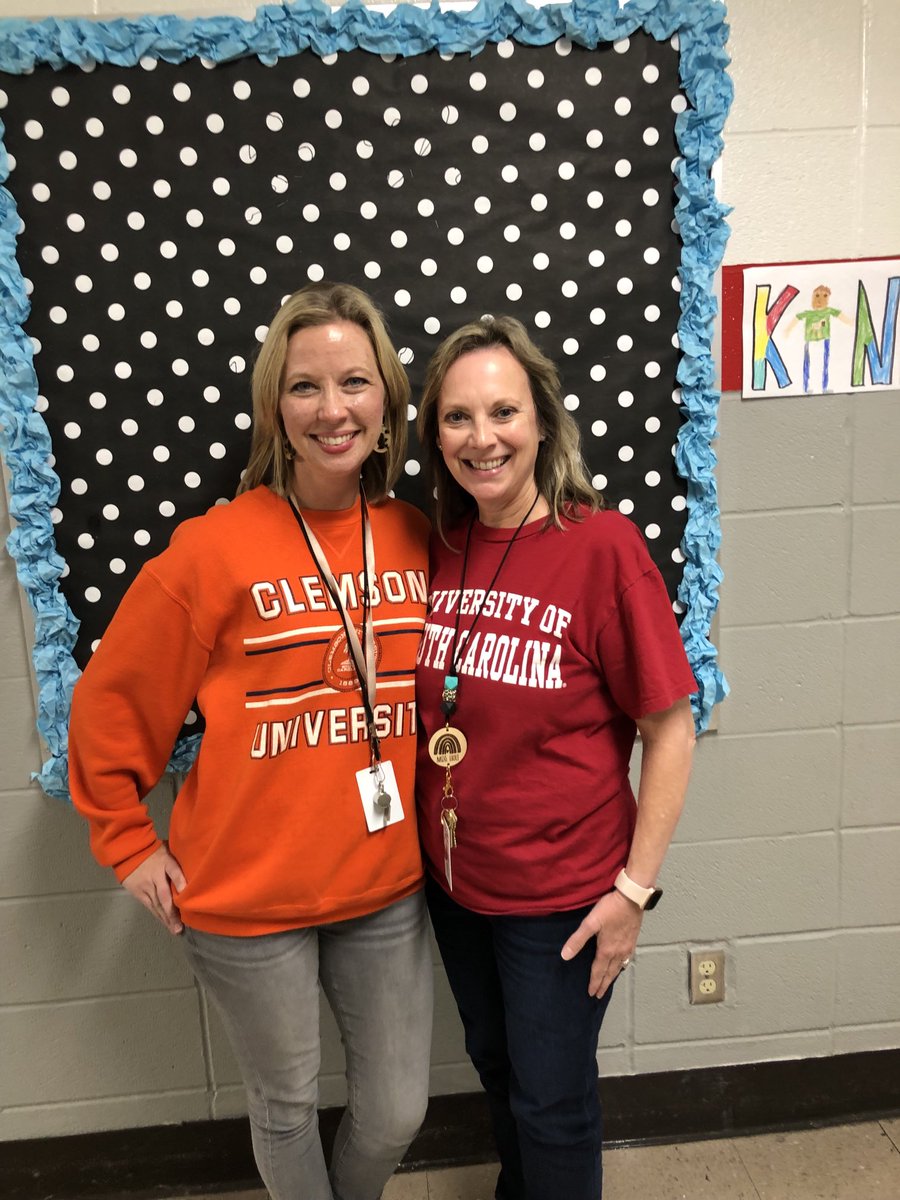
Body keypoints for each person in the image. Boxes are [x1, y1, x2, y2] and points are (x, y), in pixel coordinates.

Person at [68, 282, 433, 1200]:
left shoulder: (415, 535)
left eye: (354, 382)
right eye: (305, 386)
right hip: (243, 901)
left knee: (396, 1112)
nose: (332, 408)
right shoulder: (212, 550)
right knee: (285, 1108)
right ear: (276, 405)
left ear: (387, 399)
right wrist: (125, 841)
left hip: (384, 884)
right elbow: (111, 704)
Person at [414, 315, 696, 1200]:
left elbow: (671, 730)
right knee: (497, 1071)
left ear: (542, 420)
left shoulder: (602, 547)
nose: (482, 437)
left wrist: (633, 893)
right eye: (457, 417)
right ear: (435, 436)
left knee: (552, 1104)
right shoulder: (439, 547)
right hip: (457, 885)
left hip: (562, 898)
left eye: (503, 411)